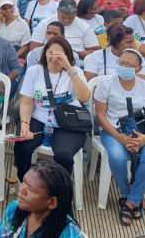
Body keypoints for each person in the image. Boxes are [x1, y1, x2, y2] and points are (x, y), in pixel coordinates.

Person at [93, 48, 145, 226]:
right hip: (113, 129)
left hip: (141, 130)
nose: (124, 67)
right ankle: (127, 194)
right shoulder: (106, 83)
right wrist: (120, 138)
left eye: (130, 65)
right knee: (117, 157)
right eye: (122, 63)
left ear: (139, 69)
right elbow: (100, 115)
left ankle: (130, 202)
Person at [15, 37, 91, 181]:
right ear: (45, 54)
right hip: (39, 117)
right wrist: (25, 124)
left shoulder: (75, 72)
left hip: (68, 120)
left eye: (60, 55)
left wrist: (69, 69)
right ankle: (25, 181)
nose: (54, 58)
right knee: (22, 144)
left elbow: (84, 97)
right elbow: (26, 102)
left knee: (64, 154)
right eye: (51, 53)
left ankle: (60, 188)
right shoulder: (34, 71)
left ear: (68, 56)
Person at [0, 160, 85, 238]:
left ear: (52, 203)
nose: (22, 190)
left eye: (31, 189)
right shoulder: (14, 209)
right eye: (24, 182)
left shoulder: (69, 234)